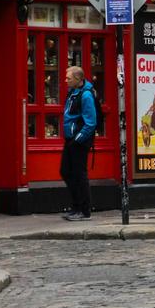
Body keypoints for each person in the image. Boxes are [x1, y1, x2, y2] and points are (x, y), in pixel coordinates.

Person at [60, 66, 96, 221]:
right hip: (70, 139)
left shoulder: (86, 95)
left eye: (68, 77)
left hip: (79, 141)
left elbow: (91, 122)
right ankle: (76, 206)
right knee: (66, 171)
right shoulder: (72, 93)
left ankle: (84, 210)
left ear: (78, 79)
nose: (65, 80)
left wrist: (77, 139)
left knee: (79, 174)